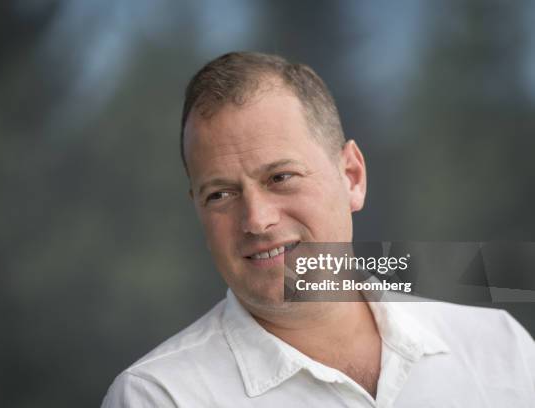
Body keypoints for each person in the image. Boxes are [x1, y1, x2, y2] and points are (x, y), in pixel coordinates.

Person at [101, 52, 534, 407]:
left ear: (351, 176)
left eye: (280, 177)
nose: (256, 220)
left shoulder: (499, 346)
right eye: (220, 194)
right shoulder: (159, 396)